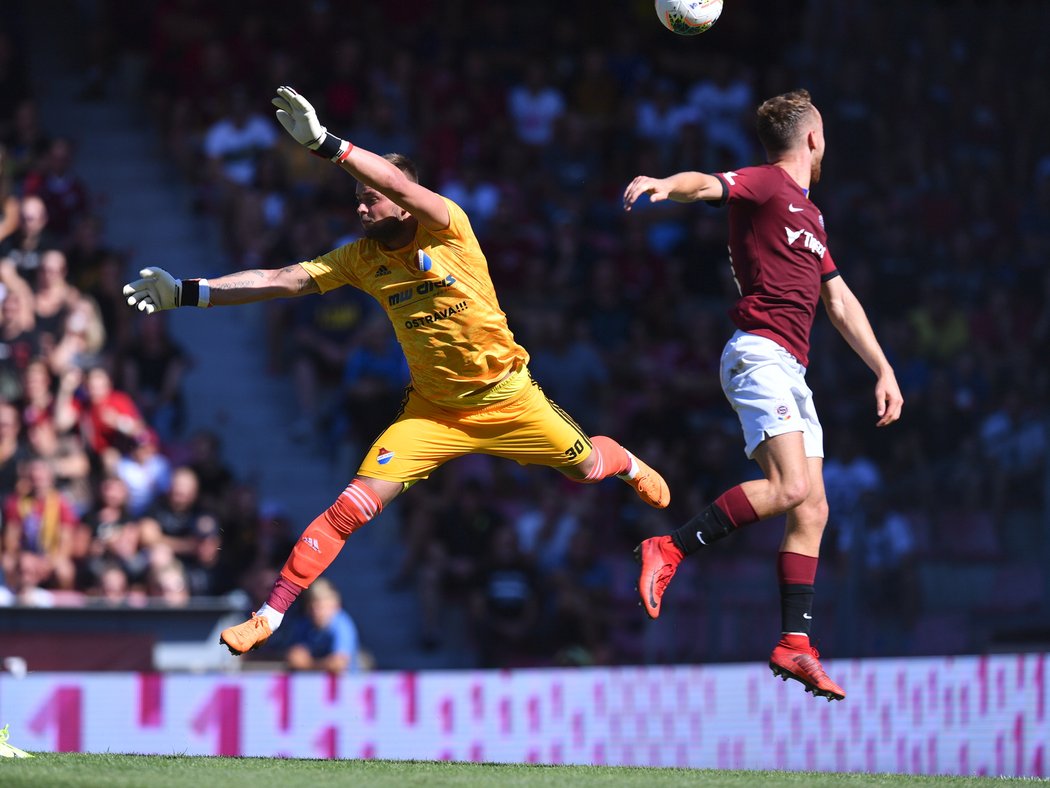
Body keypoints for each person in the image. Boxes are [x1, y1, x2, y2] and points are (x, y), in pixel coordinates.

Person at [122, 85, 670, 657]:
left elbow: (404, 185)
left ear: (401, 201)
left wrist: (326, 145)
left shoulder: (448, 227)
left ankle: (627, 462)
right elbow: (284, 279)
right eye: (357, 198)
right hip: (433, 412)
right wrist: (189, 292)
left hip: (508, 398)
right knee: (350, 507)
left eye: (371, 198)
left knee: (586, 469)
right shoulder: (362, 258)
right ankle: (270, 614)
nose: (361, 207)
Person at [623, 89, 903, 701]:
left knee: (813, 510)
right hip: (759, 353)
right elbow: (709, 185)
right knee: (791, 488)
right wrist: (669, 184)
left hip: (791, 369)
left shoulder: (809, 213)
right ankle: (669, 546)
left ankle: (794, 644)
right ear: (812, 138)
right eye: (823, 134)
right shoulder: (770, 185)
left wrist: (882, 368)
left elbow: (838, 299)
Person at [284, 577, 360, 674]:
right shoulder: (304, 623)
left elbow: (338, 664)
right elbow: (294, 657)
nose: (316, 611)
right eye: (312, 606)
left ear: (335, 605)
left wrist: (307, 665)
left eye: (321, 606)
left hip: (345, 685)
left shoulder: (343, 625)